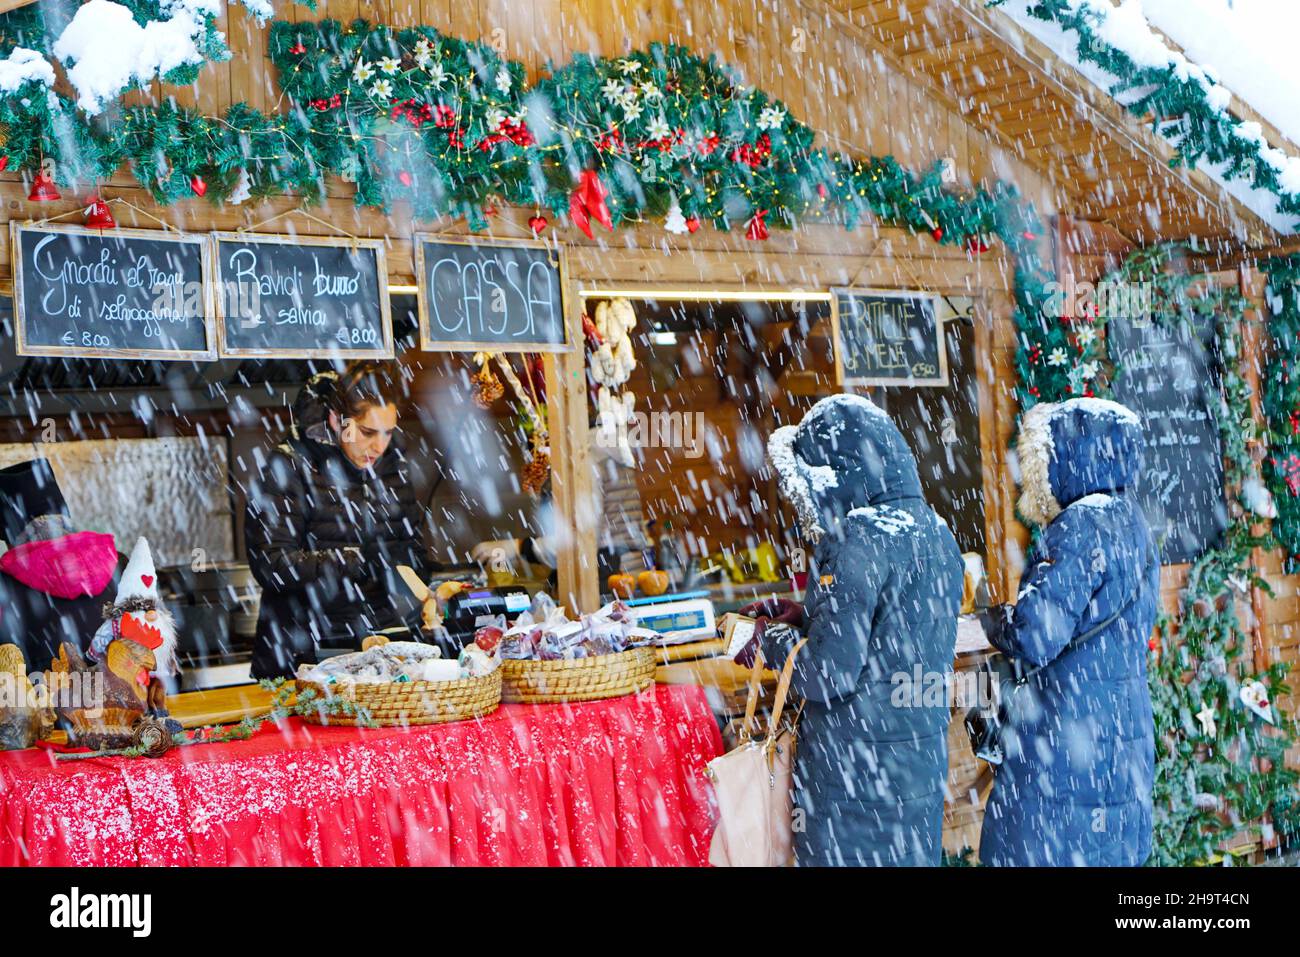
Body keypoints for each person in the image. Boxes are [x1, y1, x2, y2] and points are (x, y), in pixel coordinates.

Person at [739, 393, 964, 866]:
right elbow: (890, 626)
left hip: (853, 785)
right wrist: (803, 616)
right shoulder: (937, 531)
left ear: (829, 478)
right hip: (913, 772)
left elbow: (828, 675)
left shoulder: (854, 539)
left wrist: (767, 641)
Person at [978, 397, 1158, 866]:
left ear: (1067, 458)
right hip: (1120, 730)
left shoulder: (1078, 527)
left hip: (1066, 737)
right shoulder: (1131, 521)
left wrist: (994, 619)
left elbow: (1037, 634)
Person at [244, 362, 437, 680]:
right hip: (301, 653)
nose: (379, 445)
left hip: (377, 654)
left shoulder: (390, 465)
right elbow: (271, 564)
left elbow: (411, 547)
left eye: (388, 432)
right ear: (337, 420)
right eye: (368, 432)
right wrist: (349, 561)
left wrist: (424, 584)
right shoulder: (291, 465)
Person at [0, 458, 119, 672]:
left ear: (10, 539)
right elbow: (165, 670)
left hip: (41, 701)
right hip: (124, 702)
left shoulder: (4, 588)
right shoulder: (122, 564)